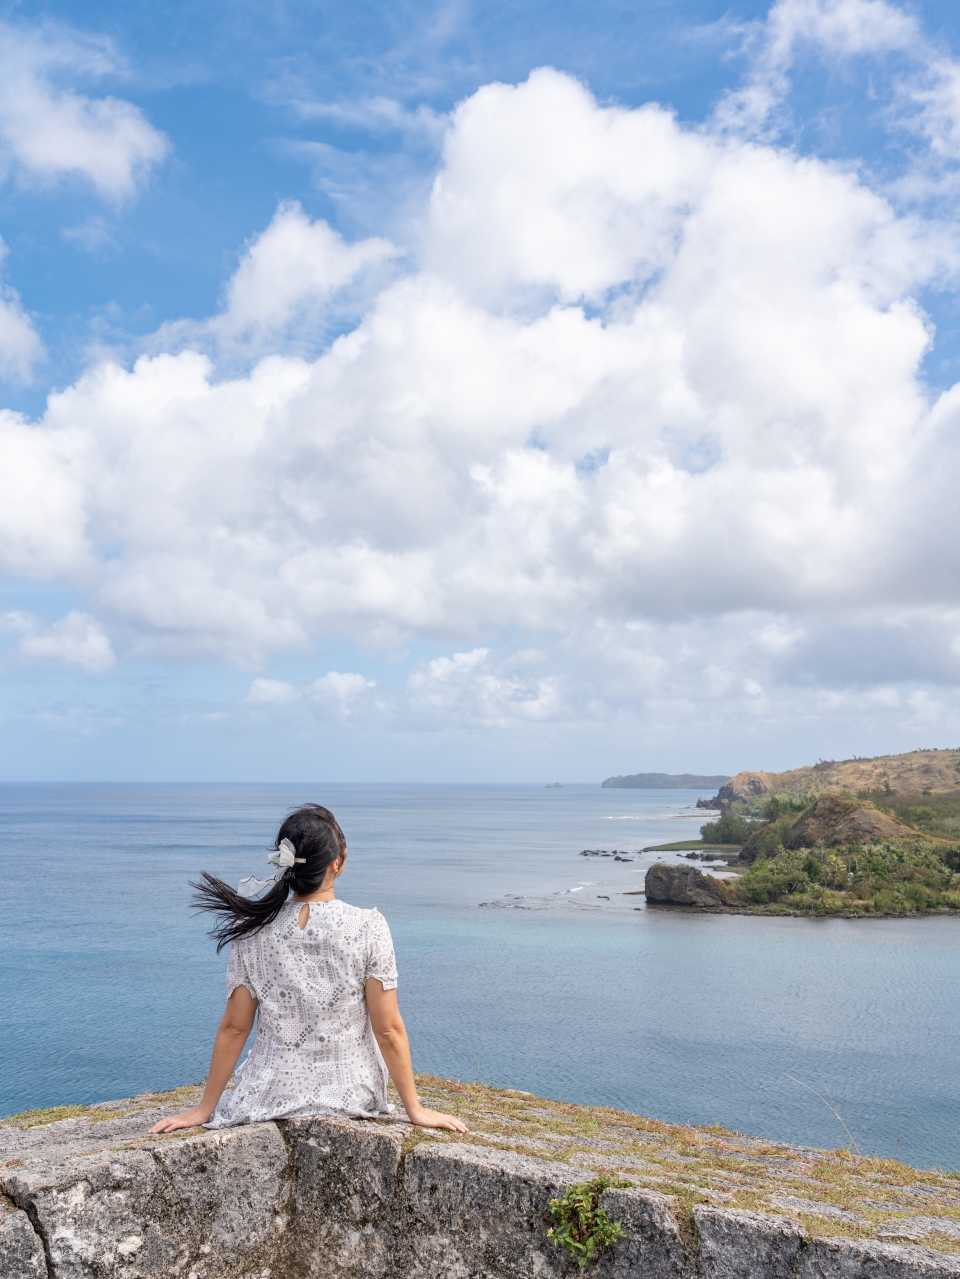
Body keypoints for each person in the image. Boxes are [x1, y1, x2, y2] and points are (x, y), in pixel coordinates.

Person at [149, 803, 466, 1134]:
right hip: (350, 1093)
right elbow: (388, 1029)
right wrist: (414, 1109)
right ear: (336, 864)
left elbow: (234, 1028)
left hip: (268, 1094)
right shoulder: (367, 927)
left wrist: (203, 1109)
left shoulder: (252, 930)